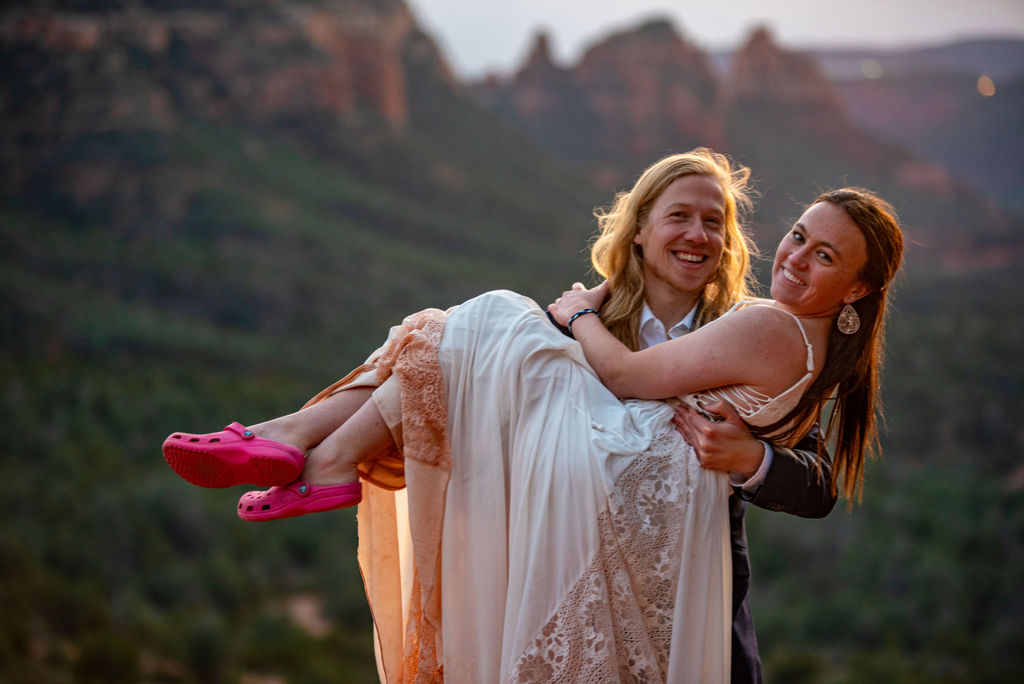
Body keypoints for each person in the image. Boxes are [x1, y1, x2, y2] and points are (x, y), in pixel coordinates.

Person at [162, 151, 904, 681]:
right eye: (679, 216)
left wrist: (753, 461)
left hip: (676, 576)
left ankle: (299, 444)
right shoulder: (619, 316)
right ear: (639, 229)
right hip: (541, 538)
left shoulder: (743, 325)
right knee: (451, 341)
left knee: (471, 323)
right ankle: (304, 448)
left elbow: (815, 483)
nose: (698, 235)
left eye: (714, 222)